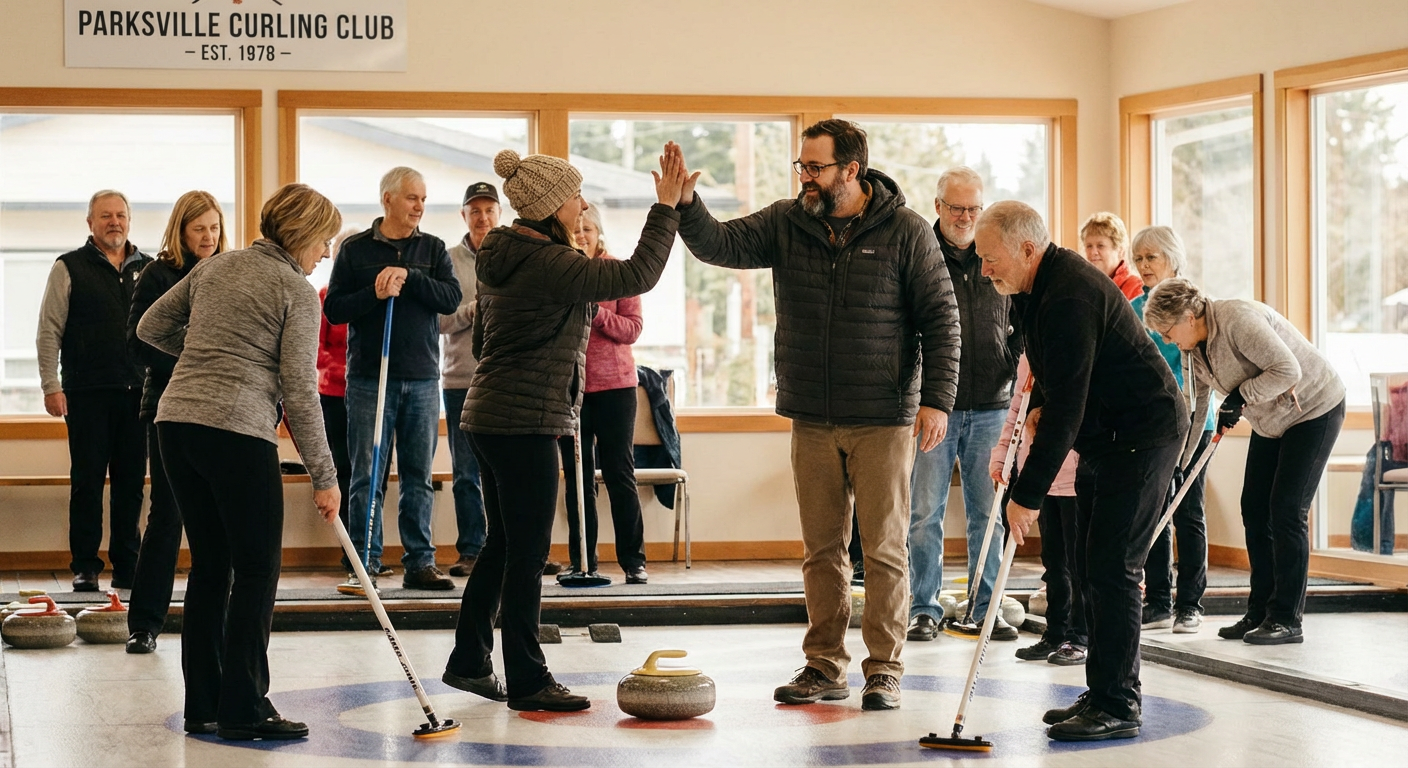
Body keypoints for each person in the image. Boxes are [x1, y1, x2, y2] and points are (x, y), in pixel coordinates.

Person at [671, 120, 960, 712]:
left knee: (882, 548)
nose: (805, 176)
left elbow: (942, 318)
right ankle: (823, 664)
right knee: (821, 549)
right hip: (812, 413)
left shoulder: (905, 231)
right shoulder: (787, 221)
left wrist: (937, 401)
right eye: (801, 166)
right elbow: (719, 244)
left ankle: (884, 668)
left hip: (882, 415)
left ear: (851, 170)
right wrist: (685, 205)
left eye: (815, 167)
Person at [441, 146, 685, 713]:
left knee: (504, 546)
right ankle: (527, 678)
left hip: (490, 414)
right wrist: (665, 208)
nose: (581, 205)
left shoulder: (507, 254)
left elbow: (481, 345)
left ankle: (469, 659)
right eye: (575, 195)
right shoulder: (552, 262)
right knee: (526, 554)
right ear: (552, 205)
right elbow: (636, 273)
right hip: (522, 421)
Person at [137, 183, 342, 740]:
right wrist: (325, 477)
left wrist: (210, 356)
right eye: (323, 240)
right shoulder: (296, 291)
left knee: (211, 566)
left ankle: (204, 705)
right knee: (255, 569)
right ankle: (245, 707)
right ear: (301, 235)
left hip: (176, 423)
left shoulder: (216, 267)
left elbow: (150, 326)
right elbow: (300, 391)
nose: (325, 253)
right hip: (234, 432)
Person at [978, 200, 1186, 741]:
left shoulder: (1068, 292)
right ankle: (1102, 691)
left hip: (1142, 434)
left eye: (989, 257)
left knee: (1115, 568)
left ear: (1026, 248)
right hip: (1107, 437)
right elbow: (1052, 374)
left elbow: (1066, 408)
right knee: (1095, 566)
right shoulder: (1033, 289)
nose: (984, 269)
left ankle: (1119, 705)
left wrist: (1027, 494)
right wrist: (1042, 402)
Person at [1144, 277, 1346, 646]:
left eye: (1168, 332)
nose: (1169, 342)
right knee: (1253, 508)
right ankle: (1259, 612)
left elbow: (1288, 370)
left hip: (1315, 408)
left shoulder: (1237, 318)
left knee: (1286, 510)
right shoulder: (1194, 350)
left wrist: (1240, 396)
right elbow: (1199, 404)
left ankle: (1287, 618)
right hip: (1271, 422)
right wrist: (1183, 462)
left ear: (1189, 316)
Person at [324, 167, 463, 593]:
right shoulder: (355, 251)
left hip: (421, 377)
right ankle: (364, 561)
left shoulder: (434, 249)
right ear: (387, 199)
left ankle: (420, 562)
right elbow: (336, 309)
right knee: (367, 474)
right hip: (369, 378)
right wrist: (376, 293)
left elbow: (451, 299)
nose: (419, 206)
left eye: (423, 199)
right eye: (411, 198)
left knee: (418, 475)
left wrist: (411, 278)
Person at [906, 166, 1020, 643]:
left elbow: (1019, 317)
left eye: (974, 209)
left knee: (987, 514)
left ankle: (984, 605)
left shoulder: (994, 254)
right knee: (923, 513)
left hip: (993, 404)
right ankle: (924, 608)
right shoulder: (919, 254)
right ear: (938, 207)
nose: (967, 218)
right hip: (936, 407)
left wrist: (1013, 365)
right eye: (957, 209)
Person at [123, 191, 228, 654]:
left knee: (220, 518)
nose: (208, 237)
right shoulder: (157, 274)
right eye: (198, 228)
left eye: (214, 227)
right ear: (181, 231)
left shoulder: (230, 271)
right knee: (168, 515)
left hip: (222, 410)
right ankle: (145, 624)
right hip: (167, 407)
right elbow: (138, 343)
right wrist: (193, 362)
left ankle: (216, 620)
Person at [36, 190, 152, 592]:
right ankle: (85, 567)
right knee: (87, 482)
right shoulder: (68, 267)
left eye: (120, 215)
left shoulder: (148, 269)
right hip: (85, 393)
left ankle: (127, 565)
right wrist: (51, 385)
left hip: (139, 393)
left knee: (131, 484)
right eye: (105, 216)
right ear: (90, 223)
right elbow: (49, 331)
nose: (114, 222)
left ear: (129, 221)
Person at [556, 202, 648, 584]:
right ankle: (583, 561)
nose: (581, 237)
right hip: (571, 390)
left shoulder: (618, 272)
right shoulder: (560, 275)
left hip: (616, 389)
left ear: (598, 235)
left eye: (587, 231)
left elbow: (633, 329)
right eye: (575, 232)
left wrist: (596, 312)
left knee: (619, 474)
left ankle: (633, 561)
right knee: (577, 479)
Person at [1129, 226, 1214, 634]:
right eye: (1139, 258)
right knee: (1154, 511)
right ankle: (1158, 602)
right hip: (1153, 427)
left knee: (1187, 511)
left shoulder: (1195, 307)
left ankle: (1190, 605)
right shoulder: (1131, 309)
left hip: (1195, 424)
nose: (1144, 266)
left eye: (1152, 258)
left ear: (1172, 260)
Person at [317, 228, 393, 579]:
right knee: (345, 473)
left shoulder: (376, 296)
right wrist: (335, 368)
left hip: (371, 391)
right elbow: (316, 351)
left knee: (374, 473)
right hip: (333, 394)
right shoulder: (323, 297)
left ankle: (369, 547)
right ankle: (352, 554)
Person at [1002, 354, 1086, 666]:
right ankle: (1055, 632)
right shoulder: (1030, 357)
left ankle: (1080, 636)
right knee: (1053, 561)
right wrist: (1002, 458)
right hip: (1040, 476)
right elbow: (1016, 410)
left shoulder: (1076, 353)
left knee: (1080, 566)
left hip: (1076, 478)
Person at [441, 182, 498, 578]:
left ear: (500, 214)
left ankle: (516, 547)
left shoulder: (515, 256)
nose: (482, 218)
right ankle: (472, 551)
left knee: (509, 471)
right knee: (466, 471)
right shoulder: (446, 261)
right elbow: (439, 321)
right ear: (464, 216)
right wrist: (471, 312)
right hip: (460, 380)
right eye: (474, 210)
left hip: (505, 380)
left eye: (489, 210)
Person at [1080, 212, 1142, 300]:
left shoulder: (1136, 287)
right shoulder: (1081, 286)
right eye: (1089, 246)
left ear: (1120, 251)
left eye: (1100, 246)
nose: (1093, 252)